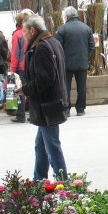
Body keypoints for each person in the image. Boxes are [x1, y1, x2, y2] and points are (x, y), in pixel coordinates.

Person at [17, 14, 69, 181]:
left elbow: (45, 78)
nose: (23, 35)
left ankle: (63, 183)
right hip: (49, 104)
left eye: (24, 31)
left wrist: (25, 89)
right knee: (41, 146)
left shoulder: (42, 47)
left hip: (47, 105)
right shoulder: (52, 42)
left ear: (33, 30)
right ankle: (38, 181)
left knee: (52, 147)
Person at [55, 6, 95, 116]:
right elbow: (92, 46)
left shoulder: (62, 29)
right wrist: (85, 55)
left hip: (66, 64)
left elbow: (57, 47)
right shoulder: (86, 28)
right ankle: (80, 109)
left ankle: (66, 110)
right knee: (81, 87)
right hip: (82, 63)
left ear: (67, 16)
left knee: (66, 87)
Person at [10, 11, 30, 123]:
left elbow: (15, 53)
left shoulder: (17, 35)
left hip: (21, 67)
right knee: (32, 89)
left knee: (20, 90)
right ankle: (33, 114)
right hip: (31, 65)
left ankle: (21, 115)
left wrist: (13, 69)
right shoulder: (32, 32)